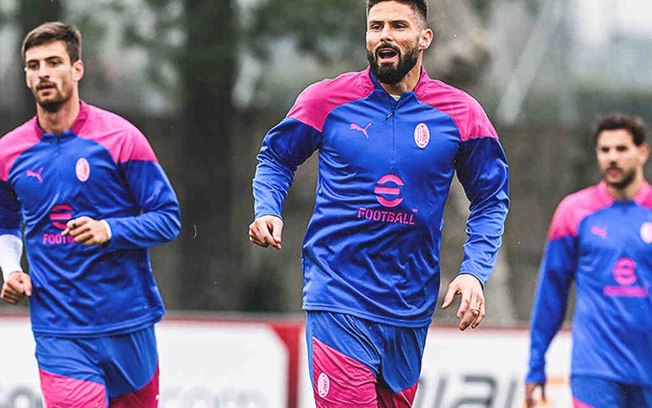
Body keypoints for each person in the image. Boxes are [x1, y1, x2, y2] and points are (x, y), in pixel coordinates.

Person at [248, 0, 509, 406]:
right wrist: (267, 208)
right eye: (375, 26)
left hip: (409, 305)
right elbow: (277, 157)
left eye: (398, 26)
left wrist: (475, 271)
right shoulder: (326, 99)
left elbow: (491, 198)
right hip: (338, 294)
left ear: (425, 39)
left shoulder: (461, 113)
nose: (384, 35)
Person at [0, 22, 180, 407]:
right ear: (27, 76)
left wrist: (109, 230)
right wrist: (11, 270)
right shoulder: (8, 153)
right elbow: (5, 223)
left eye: (54, 62)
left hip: (128, 321)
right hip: (59, 328)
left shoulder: (121, 138)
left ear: (77, 69)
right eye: (34, 66)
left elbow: (168, 218)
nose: (43, 73)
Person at [525, 113, 652, 408]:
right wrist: (535, 363)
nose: (612, 158)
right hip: (595, 369)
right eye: (604, 150)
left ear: (642, 152)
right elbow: (551, 294)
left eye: (621, 149)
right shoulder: (573, 213)